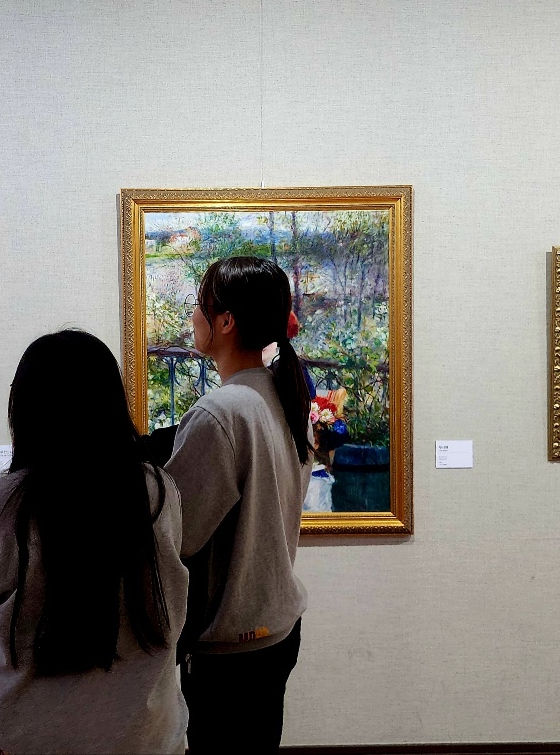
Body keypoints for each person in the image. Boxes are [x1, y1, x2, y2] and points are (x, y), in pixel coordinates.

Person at [0, 329, 189, 755]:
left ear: (24, 411)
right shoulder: (157, 493)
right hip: (146, 738)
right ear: (112, 406)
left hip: (25, 739)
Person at [165, 256, 313, 753]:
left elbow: (176, 533)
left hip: (231, 649)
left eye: (200, 304)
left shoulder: (221, 412)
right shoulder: (284, 397)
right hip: (276, 629)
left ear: (226, 321)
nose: (193, 315)